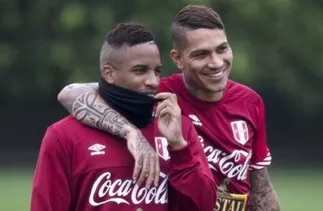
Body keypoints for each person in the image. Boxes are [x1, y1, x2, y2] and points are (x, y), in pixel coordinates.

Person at [58, 5, 280, 211]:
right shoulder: (157, 93)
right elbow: (70, 93)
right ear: (178, 59)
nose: (216, 62)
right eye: (201, 54)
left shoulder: (251, 102)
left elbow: (260, 186)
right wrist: (130, 132)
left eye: (222, 49)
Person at [31, 22, 217, 211]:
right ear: (109, 74)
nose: (153, 81)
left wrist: (179, 147)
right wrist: (132, 133)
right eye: (140, 70)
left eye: (157, 71)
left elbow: (204, 206)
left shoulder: (180, 129)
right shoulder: (64, 136)